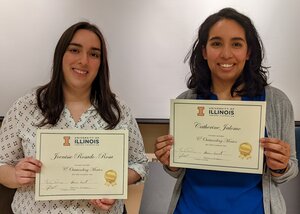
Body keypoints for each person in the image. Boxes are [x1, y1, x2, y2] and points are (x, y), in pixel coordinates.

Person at [154, 7, 298, 214]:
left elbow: (289, 170)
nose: (226, 54)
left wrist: (281, 165)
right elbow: (179, 172)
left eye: (236, 44)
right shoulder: (186, 102)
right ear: (204, 51)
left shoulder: (276, 102)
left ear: (248, 52)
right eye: (216, 43)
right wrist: (170, 162)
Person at [0, 22, 148, 213]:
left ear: (101, 63)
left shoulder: (119, 111)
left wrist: (115, 184)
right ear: (60, 55)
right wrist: (15, 175)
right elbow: (1, 163)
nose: (84, 61)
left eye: (94, 54)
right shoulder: (26, 107)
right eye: (74, 50)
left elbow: (139, 163)